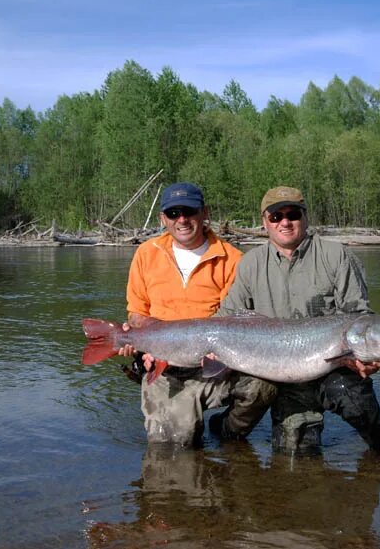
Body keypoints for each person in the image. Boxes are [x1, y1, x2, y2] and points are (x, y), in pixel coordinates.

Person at [216, 186, 380, 454]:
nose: (285, 222)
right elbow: (226, 319)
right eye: (276, 216)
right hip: (277, 370)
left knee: (355, 400)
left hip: (333, 367)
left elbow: (360, 316)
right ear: (265, 222)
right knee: (296, 455)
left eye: (293, 214)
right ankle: (222, 432)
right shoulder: (250, 264)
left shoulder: (337, 256)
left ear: (306, 217)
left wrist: (369, 357)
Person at [118, 182, 276, 447]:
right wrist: (145, 343)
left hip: (219, 364)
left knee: (266, 384)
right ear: (162, 218)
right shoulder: (146, 254)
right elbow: (137, 313)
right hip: (166, 368)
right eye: (173, 213)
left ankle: (227, 429)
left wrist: (223, 352)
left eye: (189, 211)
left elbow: (240, 318)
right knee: (174, 448)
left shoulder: (233, 259)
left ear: (204, 213)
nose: (182, 220)